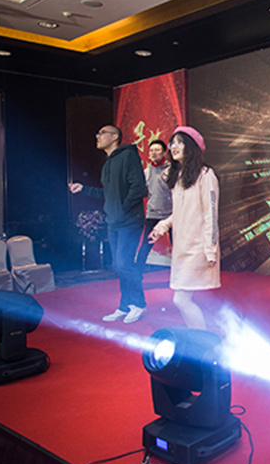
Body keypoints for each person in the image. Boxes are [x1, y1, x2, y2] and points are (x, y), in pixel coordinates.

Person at [69, 125, 148, 323]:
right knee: (118, 265)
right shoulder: (107, 163)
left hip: (129, 220)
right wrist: (83, 189)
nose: (97, 136)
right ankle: (125, 305)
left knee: (124, 263)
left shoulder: (128, 156)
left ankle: (139, 303)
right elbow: (108, 193)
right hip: (113, 222)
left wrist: (122, 210)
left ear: (114, 137)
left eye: (102, 133)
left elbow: (139, 188)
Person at [148, 127, 219, 330]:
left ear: (192, 146)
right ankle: (199, 338)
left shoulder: (206, 175)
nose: (174, 146)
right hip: (182, 246)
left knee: (181, 299)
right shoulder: (178, 177)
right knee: (181, 300)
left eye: (180, 142)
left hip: (198, 247)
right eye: (173, 143)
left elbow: (211, 214)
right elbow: (181, 211)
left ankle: (203, 339)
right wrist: (163, 225)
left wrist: (210, 248)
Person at [137, 139, 173, 271]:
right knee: (146, 244)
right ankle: (137, 271)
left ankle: (180, 272)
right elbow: (144, 192)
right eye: (151, 150)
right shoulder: (146, 172)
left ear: (164, 153)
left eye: (157, 150)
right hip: (153, 213)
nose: (154, 153)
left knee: (177, 245)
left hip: (171, 214)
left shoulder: (172, 170)